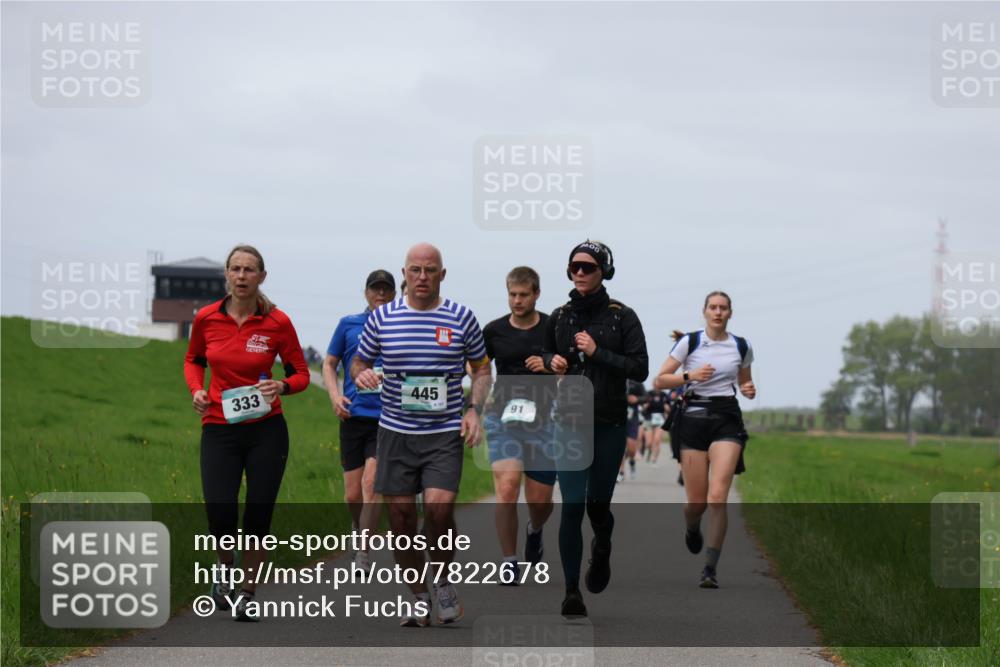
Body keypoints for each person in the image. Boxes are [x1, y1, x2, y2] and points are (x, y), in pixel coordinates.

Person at [350, 242, 492, 627]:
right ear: (405, 274)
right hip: (395, 432)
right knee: (400, 518)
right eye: (415, 270)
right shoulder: (383, 318)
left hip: (443, 432)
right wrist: (362, 374)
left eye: (430, 270)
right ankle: (418, 596)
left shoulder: (461, 317)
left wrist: (474, 410)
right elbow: (359, 361)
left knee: (438, 510)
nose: (423, 277)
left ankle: (442, 582)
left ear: (442, 275)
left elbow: (481, 369)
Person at [184, 244, 310, 621]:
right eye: (236, 269)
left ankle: (248, 592)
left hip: (266, 429)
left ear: (261, 277)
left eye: (249, 270)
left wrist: (282, 386)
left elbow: (301, 373)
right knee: (220, 511)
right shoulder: (206, 318)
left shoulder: (277, 322)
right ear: (227, 274)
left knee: (258, 512)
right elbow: (193, 359)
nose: (241, 276)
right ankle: (225, 569)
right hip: (219, 427)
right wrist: (197, 390)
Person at [542, 240, 648, 617]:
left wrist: (597, 352)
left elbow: (640, 368)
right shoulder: (558, 316)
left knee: (597, 505)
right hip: (569, 421)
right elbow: (542, 353)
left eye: (588, 267)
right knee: (571, 506)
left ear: (605, 271)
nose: (580, 273)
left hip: (608, 421)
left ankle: (602, 545)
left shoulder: (623, 317)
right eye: (575, 267)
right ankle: (571, 590)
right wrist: (551, 361)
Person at [653, 291, 756, 588]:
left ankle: (710, 568)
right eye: (713, 307)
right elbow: (659, 380)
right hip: (693, 419)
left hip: (726, 419)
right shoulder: (690, 342)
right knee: (697, 503)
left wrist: (748, 389)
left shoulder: (741, 346)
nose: (718, 312)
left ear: (730, 313)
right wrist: (690, 376)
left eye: (723, 308)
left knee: (717, 497)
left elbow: (744, 381)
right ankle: (692, 525)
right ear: (705, 311)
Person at [482, 266, 556, 584]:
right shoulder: (494, 331)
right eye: (512, 294)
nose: (517, 300)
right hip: (503, 418)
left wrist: (549, 365)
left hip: (544, 421)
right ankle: (509, 561)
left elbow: (570, 369)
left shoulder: (553, 327)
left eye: (524, 295)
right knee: (508, 487)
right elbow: (480, 368)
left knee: (540, 502)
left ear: (536, 294)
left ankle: (534, 529)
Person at [323, 269, 396, 568]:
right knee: (353, 495)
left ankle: (363, 552)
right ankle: (358, 526)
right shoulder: (348, 324)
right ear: (366, 293)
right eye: (376, 289)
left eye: (386, 289)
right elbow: (329, 363)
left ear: (395, 294)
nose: (381, 294)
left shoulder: (401, 326)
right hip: (353, 416)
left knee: (371, 482)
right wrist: (335, 396)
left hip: (386, 418)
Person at [618, 380, 645, 483]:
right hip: (618, 417)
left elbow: (646, 397)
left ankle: (632, 461)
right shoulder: (617, 379)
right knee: (619, 447)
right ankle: (621, 472)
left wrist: (637, 399)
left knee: (631, 447)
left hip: (632, 419)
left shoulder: (637, 383)